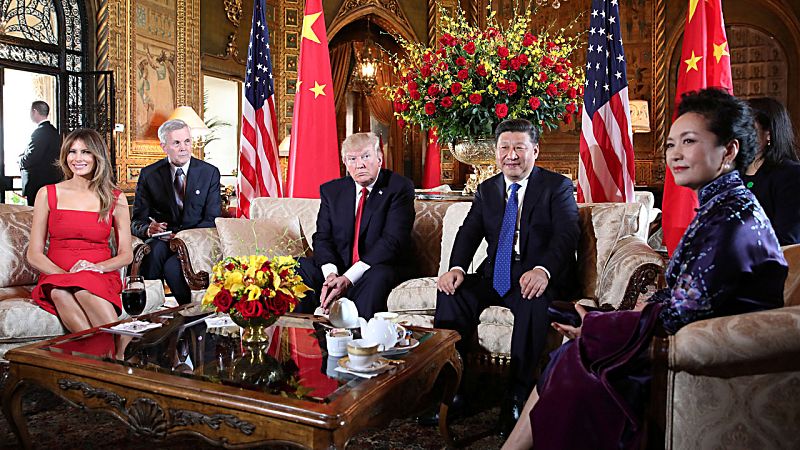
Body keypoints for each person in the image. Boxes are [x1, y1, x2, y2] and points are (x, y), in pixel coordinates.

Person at [502, 89, 788, 450]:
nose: (675, 155)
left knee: (575, 359)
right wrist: (608, 320)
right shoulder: (723, 205)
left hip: (705, 355)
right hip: (690, 339)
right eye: (671, 144)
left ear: (729, 150)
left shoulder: (731, 218)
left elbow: (684, 312)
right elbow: (688, 294)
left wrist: (600, 327)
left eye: (689, 141)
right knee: (572, 350)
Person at [432, 118, 580, 437]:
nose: (510, 155)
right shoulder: (487, 189)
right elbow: (469, 232)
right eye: (504, 148)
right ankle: (455, 389)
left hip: (535, 275)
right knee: (451, 293)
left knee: (532, 300)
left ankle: (516, 395)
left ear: (535, 151)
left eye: (519, 148)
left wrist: (543, 270)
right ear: (496, 152)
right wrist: (456, 267)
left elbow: (567, 235)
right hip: (496, 273)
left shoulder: (556, 187)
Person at [294, 132, 415, 319]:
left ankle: (359, 342)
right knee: (298, 267)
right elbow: (322, 237)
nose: (360, 164)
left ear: (379, 159)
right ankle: (299, 339)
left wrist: (349, 278)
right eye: (352, 159)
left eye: (366, 156)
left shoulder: (399, 188)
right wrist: (331, 276)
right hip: (339, 267)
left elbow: (392, 241)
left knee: (377, 277)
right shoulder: (332, 191)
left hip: (376, 266)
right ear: (345, 163)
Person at [27, 129, 133, 333]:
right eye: (72, 152)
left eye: (85, 152)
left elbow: (126, 254)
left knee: (84, 289)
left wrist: (97, 268)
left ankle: (114, 351)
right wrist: (65, 275)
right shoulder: (47, 193)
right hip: (56, 273)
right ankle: (106, 357)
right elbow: (34, 254)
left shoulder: (114, 197)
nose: (77, 158)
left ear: (97, 156)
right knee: (58, 293)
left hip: (97, 273)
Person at [131, 119, 221, 305]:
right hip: (162, 241)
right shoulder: (149, 174)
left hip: (194, 241)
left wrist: (182, 237)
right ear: (164, 146)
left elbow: (212, 218)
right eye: (177, 143)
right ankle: (148, 310)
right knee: (153, 253)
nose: (184, 148)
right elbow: (136, 221)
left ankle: (191, 315)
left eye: (187, 141)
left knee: (173, 268)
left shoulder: (209, 172)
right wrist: (149, 229)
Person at [741, 97, 800, 245]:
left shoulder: (790, 174)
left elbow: (787, 239)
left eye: (748, 128)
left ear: (768, 133)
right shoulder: (732, 172)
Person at [20, 101, 62, 206]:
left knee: (35, 214)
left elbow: (32, 157)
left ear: (34, 111)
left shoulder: (39, 132)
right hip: (53, 181)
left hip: (38, 184)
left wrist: (20, 160)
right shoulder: (54, 131)